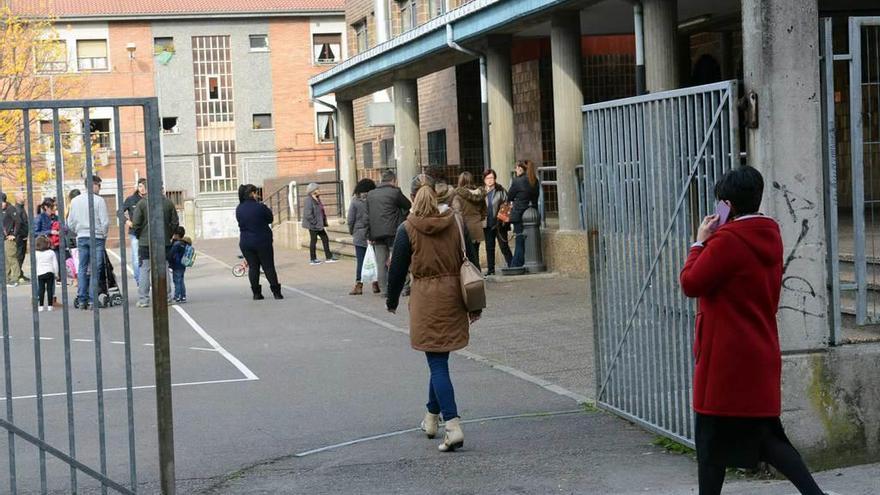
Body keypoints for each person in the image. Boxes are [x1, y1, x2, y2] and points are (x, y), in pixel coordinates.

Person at [679, 167, 825, 495]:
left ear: (727, 205)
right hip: (758, 351)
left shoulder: (726, 242)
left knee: (711, 443)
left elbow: (690, 283)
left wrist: (698, 243)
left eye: (720, 205)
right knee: (768, 438)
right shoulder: (769, 233)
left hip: (725, 361)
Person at [386, 174, 481, 453]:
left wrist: (391, 301)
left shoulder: (408, 228)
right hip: (454, 297)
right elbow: (471, 262)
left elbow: (397, 270)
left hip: (426, 300)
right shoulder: (457, 223)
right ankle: (431, 418)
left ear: (413, 196)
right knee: (438, 359)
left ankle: (451, 424)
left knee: (437, 363)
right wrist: (475, 306)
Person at [130, 182, 178, 308]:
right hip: (163, 241)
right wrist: (168, 234)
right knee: (164, 267)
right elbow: (174, 223)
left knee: (144, 269)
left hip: (145, 242)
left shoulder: (141, 203)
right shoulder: (168, 203)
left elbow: (136, 224)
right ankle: (166, 297)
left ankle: (144, 299)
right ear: (161, 189)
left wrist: (140, 236)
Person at [66, 176, 110, 309]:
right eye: (99, 185)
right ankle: (92, 299)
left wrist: (78, 230)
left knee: (82, 268)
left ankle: (81, 298)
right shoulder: (99, 201)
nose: (99, 188)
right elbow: (105, 221)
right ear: (94, 185)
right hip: (96, 237)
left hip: (82, 236)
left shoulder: (75, 201)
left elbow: (70, 223)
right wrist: (103, 233)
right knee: (95, 269)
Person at [366, 169, 411, 294]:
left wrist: (369, 233)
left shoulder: (371, 194)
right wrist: (401, 218)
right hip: (394, 232)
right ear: (394, 180)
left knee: (381, 262)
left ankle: (385, 289)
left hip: (376, 233)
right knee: (398, 259)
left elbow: (367, 215)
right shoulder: (395, 192)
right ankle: (404, 287)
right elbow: (408, 206)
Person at [236, 184, 283, 300]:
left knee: (253, 267)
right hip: (262, 241)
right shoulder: (260, 207)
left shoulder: (239, 208)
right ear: (252, 193)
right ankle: (276, 292)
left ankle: (256, 293)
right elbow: (270, 219)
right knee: (268, 267)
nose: (257, 195)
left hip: (245, 242)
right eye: (256, 193)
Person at [507, 160, 540, 268]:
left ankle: (516, 264)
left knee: (519, 240)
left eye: (516, 168)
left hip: (519, 214)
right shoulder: (535, 180)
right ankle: (519, 263)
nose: (515, 170)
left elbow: (509, 196)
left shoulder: (517, 181)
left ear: (520, 168)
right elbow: (536, 196)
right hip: (532, 213)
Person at [452, 172, 486, 270]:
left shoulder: (458, 195)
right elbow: (484, 211)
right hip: (477, 227)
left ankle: (472, 278)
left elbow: (457, 212)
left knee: (467, 256)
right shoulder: (480, 195)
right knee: (476, 255)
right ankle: (478, 275)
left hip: (465, 228)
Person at [347, 178, 376, 295]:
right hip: (373, 233)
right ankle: (376, 283)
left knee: (361, 261)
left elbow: (350, 219)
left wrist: (351, 231)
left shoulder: (355, 201)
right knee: (375, 260)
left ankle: (359, 285)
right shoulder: (374, 199)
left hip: (359, 234)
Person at [482, 169, 513, 275]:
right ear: (484, 179)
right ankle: (491, 270)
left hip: (499, 224)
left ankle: (512, 265)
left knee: (504, 246)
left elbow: (507, 205)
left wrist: (502, 220)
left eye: (492, 178)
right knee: (489, 248)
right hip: (487, 224)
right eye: (487, 178)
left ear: (495, 179)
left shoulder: (501, 190)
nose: (490, 180)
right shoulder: (481, 192)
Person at [302, 182, 338, 266]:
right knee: (313, 241)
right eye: (317, 189)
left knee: (325, 239)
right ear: (313, 190)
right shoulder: (309, 200)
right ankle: (313, 259)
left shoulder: (317, 198)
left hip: (319, 224)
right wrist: (315, 222)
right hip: (313, 225)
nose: (319, 190)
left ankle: (328, 257)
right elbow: (308, 214)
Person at [122, 178, 146, 283]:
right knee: (136, 257)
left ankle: (148, 280)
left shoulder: (151, 199)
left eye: (144, 186)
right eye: (140, 186)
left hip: (148, 232)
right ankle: (139, 280)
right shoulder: (131, 199)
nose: (142, 189)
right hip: (135, 232)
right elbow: (119, 212)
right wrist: (127, 221)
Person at [33, 235, 58, 312]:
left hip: (40, 273)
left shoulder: (36, 253)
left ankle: (41, 306)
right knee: (50, 289)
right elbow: (55, 264)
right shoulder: (51, 252)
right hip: (50, 272)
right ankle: (50, 306)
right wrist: (56, 274)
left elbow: (35, 264)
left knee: (41, 289)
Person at [2, 193, 21, 287]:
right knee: (5, 259)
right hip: (2, 239)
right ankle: (6, 278)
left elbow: (18, 221)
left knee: (11, 258)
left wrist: (13, 234)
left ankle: (15, 278)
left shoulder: (11, 209)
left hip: (8, 239)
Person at [168, 226, 190, 303]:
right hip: (183, 265)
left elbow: (171, 254)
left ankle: (177, 296)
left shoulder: (176, 244)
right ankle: (183, 296)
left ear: (176, 235)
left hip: (176, 265)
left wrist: (169, 263)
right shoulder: (184, 243)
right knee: (181, 280)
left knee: (176, 281)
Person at [14, 197, 29, 283]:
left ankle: (20, 273)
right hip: (20, 236)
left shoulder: (21, 208)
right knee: (19, 255)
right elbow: (19, 223)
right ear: (18, 198)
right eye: (22, 196)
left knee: (22, 255)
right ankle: (18, 274)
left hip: (23, 235)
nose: (24, 198)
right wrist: (21, 234)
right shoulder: (18, 209)